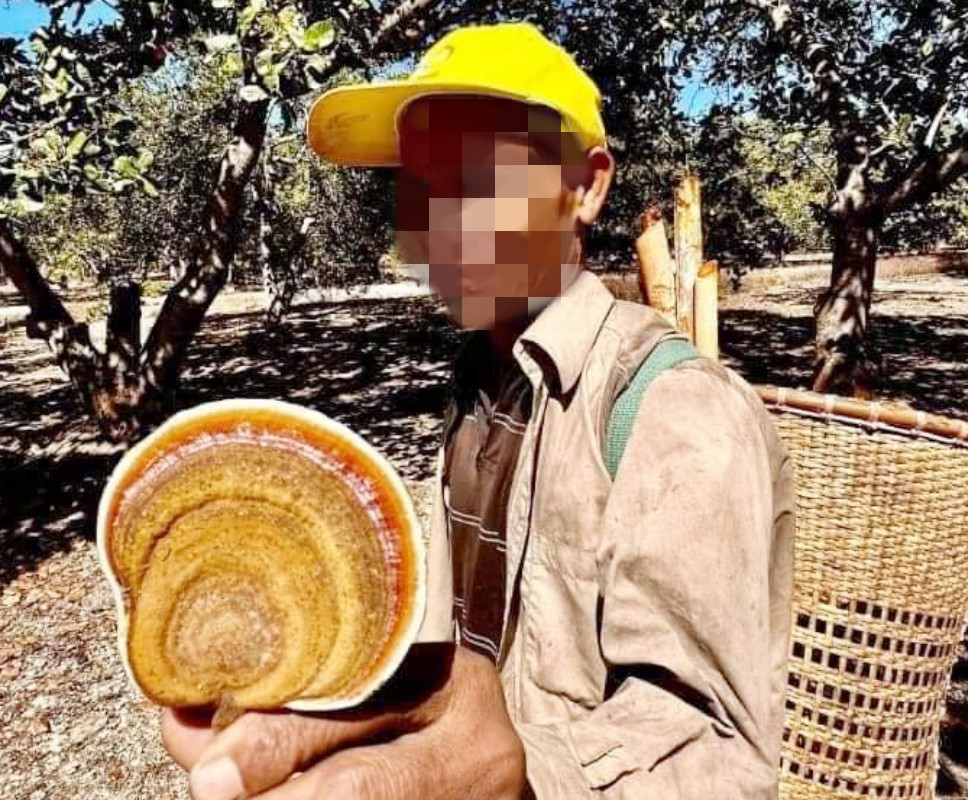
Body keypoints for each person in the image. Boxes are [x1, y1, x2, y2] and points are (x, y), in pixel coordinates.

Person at [161, 22, 795, 800]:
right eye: (419, 191)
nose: (436, 229)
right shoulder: (481, 377)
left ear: (586, 186)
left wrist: (517, 775)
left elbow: (717, 756)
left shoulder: (677, 412)